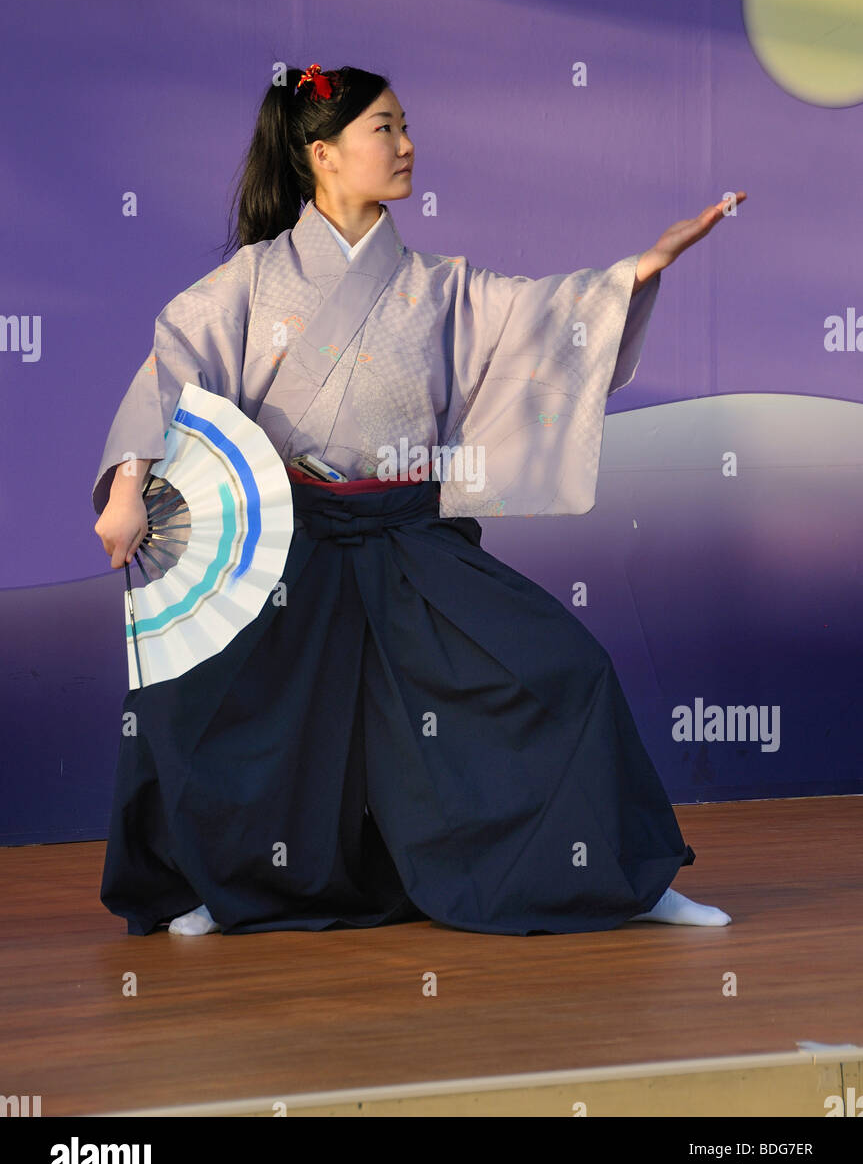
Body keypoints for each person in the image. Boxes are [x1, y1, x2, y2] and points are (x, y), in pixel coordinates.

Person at [92, 63, 745, 937]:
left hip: (408, 528)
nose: (407, 146)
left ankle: (626, 877)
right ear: (321, 154)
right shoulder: (249, 283)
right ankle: (230, 884)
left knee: (559, 669)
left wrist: (639, 269)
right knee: (218, 702)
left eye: (404, 127)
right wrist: (129, 487)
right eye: (385, 129)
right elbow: (169, 372)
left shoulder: (441, 284)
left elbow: (546, 318)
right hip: (289, 539)